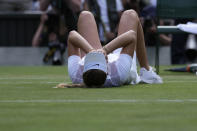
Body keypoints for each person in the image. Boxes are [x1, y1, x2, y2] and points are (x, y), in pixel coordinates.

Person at [67, 10, 163, 87]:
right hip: (120, 60)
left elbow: (72, 35)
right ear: (107, 68)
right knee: (130, 14)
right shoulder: (118, 74)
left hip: (95, 58)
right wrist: (105, 50)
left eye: (92, 56)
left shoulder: (76, 74)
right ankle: (146, 71)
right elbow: (131, 36)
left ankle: (93, 55)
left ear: (84, 66)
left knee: (85, 15)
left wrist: (90, 51)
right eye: (101, 58)